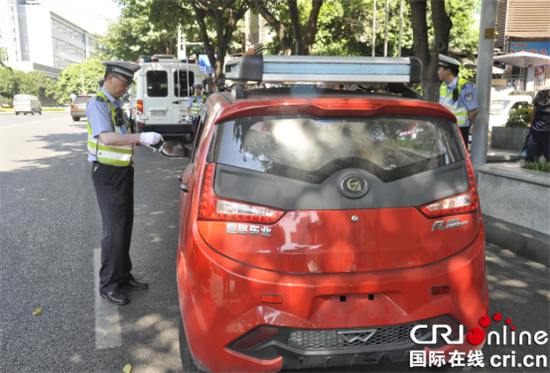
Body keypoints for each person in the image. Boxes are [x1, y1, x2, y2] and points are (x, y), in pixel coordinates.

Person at [87, 61, 164, 305]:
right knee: (114, 230)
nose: (126, 88)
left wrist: (142, 143)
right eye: (123, 83)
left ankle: (122, 275)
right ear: (110, 78)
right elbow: (108, 138)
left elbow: (121, 135)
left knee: (125, 225)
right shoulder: (97, 104)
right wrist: (141, 137)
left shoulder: (115, 103)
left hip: (122, 171)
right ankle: (108, 284)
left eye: (129, 84)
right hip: (107, 173)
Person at [437, 54, 479, 145]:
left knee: (459, 158)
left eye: (439, 69)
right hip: (445, 127)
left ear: (448, 71)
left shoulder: (465, 86)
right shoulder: (443, 86)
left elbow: (474, 111)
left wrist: (467, 125)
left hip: (459, 129)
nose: (437, 72)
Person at [525, 89, 549, 162]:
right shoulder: (541, 94)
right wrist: (531, 128)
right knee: (530, 160)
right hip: (535, 132)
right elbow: (534, 113)